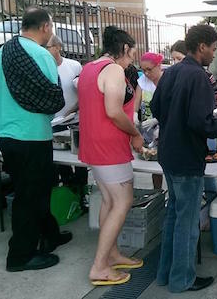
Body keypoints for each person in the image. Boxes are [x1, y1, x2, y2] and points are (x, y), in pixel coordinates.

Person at [0, 7, 71, 272]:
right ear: (46, 27)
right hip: (31, 135)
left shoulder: (4, 51)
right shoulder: (41, 54)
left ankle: (50, 234)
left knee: (36, 188)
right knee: (29, 195)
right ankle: (20, 256)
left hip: (4, 132)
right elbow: (51, 99)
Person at [152, 25, 217, 293]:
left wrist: (173, 124)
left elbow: (155, 106)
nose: (214, 53)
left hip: (168, 153)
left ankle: (165, 274)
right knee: (187, 220)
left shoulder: (172, 72)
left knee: (174, 214)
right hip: (186, 158)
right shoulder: (198, 76)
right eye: (214, 47)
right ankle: (182, 279)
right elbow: (201, 122)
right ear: (202, 46)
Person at [78, 26, 144, 286]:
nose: (131, 61)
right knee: (123, 200)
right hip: (110, 145)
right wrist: (135, 134)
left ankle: (111, 253)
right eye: (131, 54)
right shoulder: (114, 69)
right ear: (124, 49)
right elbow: (114, 111)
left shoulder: (89, 68)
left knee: (108, 200)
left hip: (93, 144)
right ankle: (100, 266)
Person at [46, 35, 88, 208]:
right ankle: (67, 191)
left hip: (74, 120)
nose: (45, 51)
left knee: (80, 161)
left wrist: (72, 110)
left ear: (57, 47)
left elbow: (83, 93)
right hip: (52, 122)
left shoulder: (74, 66)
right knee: (59, 161)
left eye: (47, 47)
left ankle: (82, 193)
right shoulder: (42, 66)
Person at [133, 52, 164, 190]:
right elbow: (137, 100)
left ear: (159, 66)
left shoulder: (166, 81)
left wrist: (158, 120)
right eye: (143, 70)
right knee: (152, 162)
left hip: (163, 127)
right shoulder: (142, 82)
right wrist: (134, 114)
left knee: (165, 163)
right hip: (147, 127)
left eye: (149, 70)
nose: (146, 73)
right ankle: (157, 191)